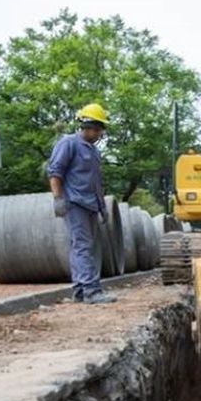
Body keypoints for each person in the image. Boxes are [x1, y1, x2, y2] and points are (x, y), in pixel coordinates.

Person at [48, 103, 116, 304]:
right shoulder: (68, 143)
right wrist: (58, 199)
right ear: (87, 125)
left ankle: (79, 290)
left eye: (100, 130)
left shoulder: (94, 152)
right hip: (75, 203)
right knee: (82, 246)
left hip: (91, 205)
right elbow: (55, 172)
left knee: (84, 246)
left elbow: (96, 183)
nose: (99, 134)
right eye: (97, 129)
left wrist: (102, 208)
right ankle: (91, 291)